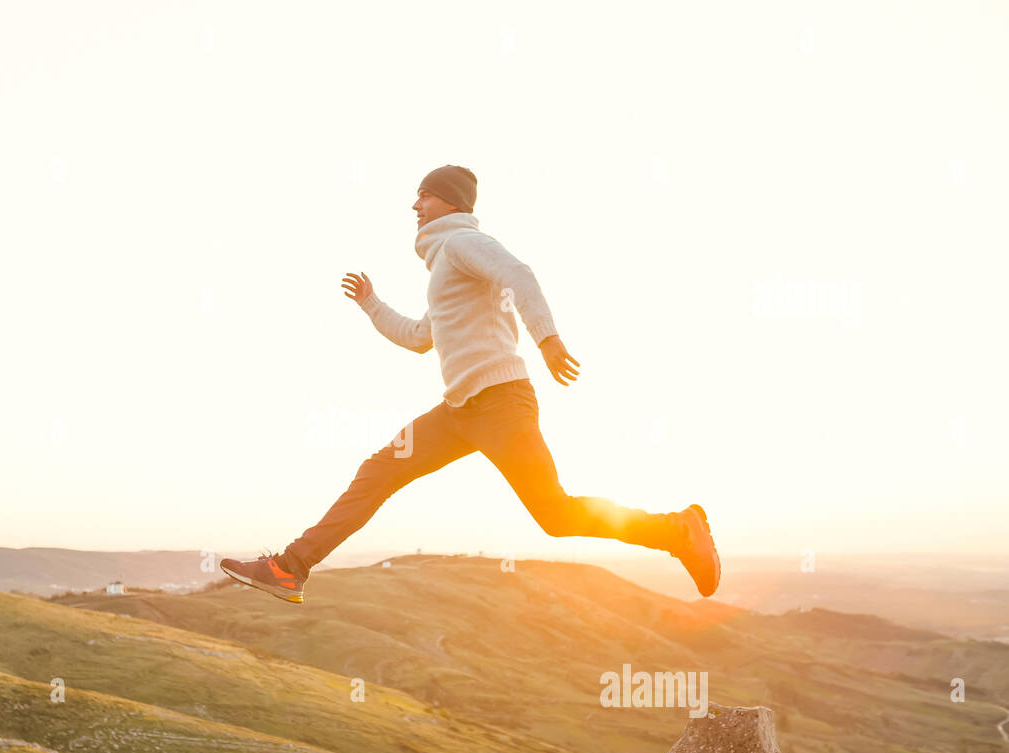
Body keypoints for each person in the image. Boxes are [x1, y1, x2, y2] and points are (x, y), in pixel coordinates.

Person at [221, 164, 719, 604]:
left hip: (501, 403)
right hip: (460, 412)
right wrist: (371, 303)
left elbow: (517, 273)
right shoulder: (443, 264)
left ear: (451, 202)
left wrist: (547, 339)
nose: (415, 205)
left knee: (556, 515)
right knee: (378, 472)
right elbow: (420, 338)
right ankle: (290, 568)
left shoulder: (462, 243)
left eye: (425, 195)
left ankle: (679, 530)